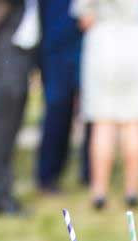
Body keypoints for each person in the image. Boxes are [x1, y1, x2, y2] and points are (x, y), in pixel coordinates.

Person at [73, 0, 138, 210]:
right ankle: (132, 190)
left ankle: (99, 192)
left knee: (103, 123)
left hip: (103, 42)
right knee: (133, 122)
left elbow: (85, 18)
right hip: (135, 41)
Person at [0, 0, 39, 215]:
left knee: (9, 127)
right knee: (0, 128)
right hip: (4, 51)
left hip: (17, 52)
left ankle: (1, 191)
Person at [37, 0, 88, 193]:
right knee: (57, 107)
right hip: (57, 40)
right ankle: (48, 175)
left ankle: (90, 172)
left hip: (90, 39)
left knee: (94, 112)